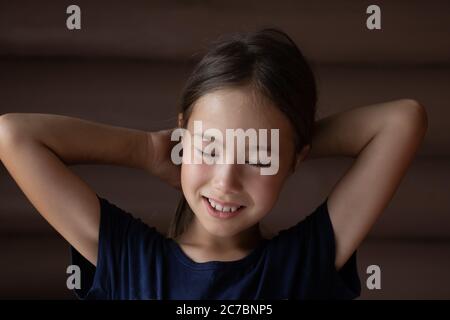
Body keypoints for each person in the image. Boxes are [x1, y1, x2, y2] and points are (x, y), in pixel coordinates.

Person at [0, 28, 428, 299]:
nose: (226, 180)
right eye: (209, 149)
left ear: (296, 159)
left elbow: (402, 120)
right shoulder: (129, 260)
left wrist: (287, 143)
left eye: (257, 156)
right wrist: (150, 150)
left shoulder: (305, 263)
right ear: (184, 133)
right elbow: (13, 136)